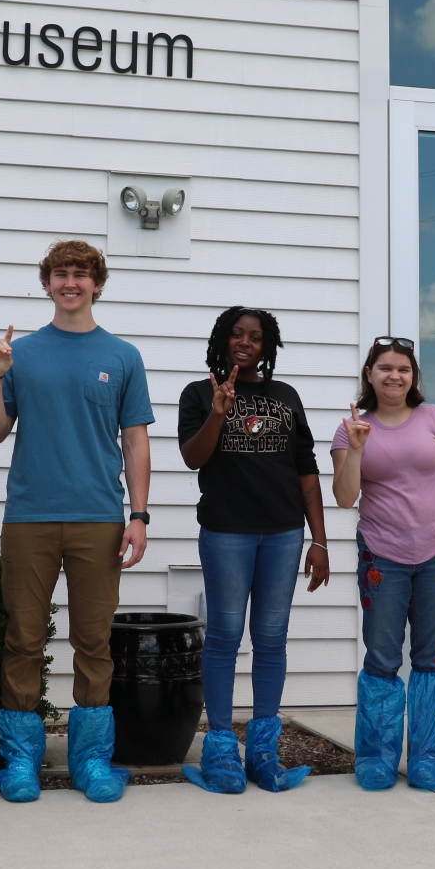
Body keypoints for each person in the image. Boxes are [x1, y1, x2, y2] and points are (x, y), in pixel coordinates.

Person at [0, 240, 153, 804]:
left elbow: (135, 440)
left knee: (93, 643)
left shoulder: (123, 356)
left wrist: (140, 516)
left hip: (99, 518)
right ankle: (22, 762)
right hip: (29, 516)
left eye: (80, 275)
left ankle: (91, 761)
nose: (70, 283)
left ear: (97, 284)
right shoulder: (21, 354)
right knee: (23, 640)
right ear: (47, 283)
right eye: (60, 275)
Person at [177, 307, 331, 794]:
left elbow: (306, 467)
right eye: (237, 335)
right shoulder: (199, 393)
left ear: (268, 346)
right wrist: (219, 413)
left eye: (256, 338)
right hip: (226, 532)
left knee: (271, 638)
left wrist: (320, 538)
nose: (245, 343)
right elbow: (191, 457)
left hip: (283, 533)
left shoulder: (285, 397)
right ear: (223, 340)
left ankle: (263, 750)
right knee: (224, 635)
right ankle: (221, 747)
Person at [332, 337, 435, 792]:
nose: (395, 376)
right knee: (383, 657)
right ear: (369, 374)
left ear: (414, 377)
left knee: (431, 658)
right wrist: (355, 448)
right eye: (385, 368)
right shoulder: (351, 427)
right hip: (382, 557)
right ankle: (376, 757)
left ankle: (428, 756)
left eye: (404, 369)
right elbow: (345, 496)